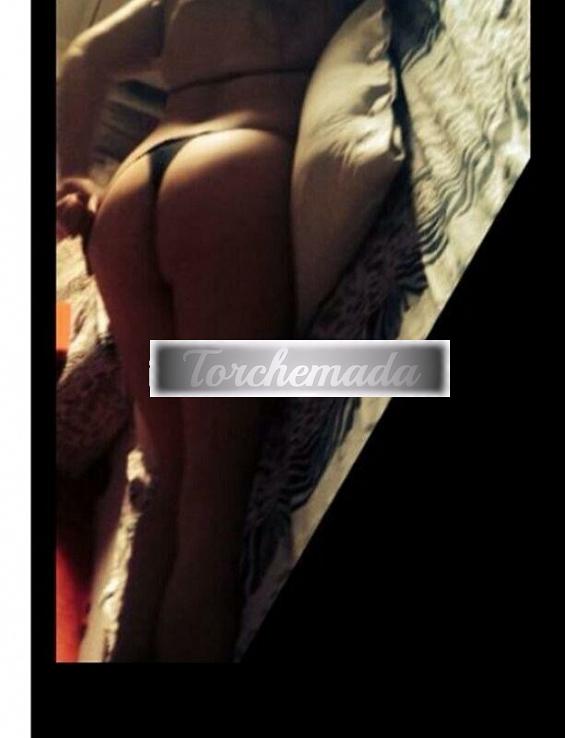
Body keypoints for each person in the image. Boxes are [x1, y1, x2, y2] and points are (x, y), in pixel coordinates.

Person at [56, 0, 362, 662]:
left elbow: (82, 58)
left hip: (133, 194)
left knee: (166, 485)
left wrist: (75, 174)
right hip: (235, 171)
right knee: (210, 520)